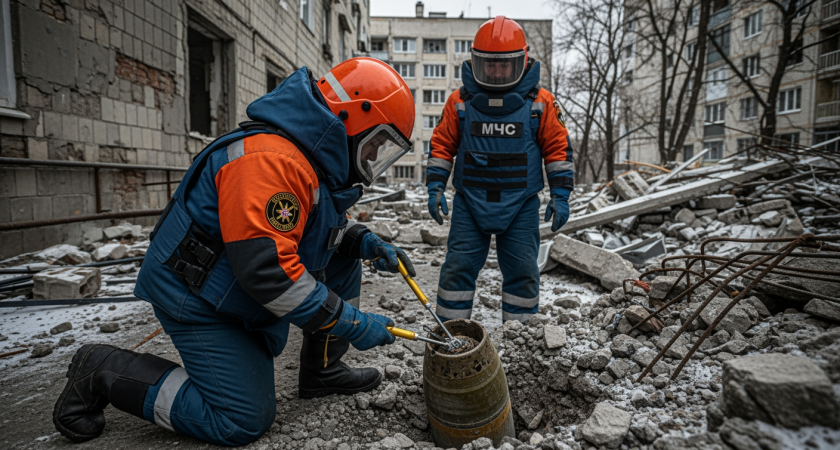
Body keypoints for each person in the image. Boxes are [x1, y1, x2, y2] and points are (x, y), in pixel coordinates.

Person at [53, 58, 417, 446]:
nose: (375, 156)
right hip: (197, 297)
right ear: (352, 119)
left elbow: (314, 226)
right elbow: (270, 274)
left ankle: (322, 372)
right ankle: (103, 369)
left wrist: (363, 240)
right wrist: (354, 323)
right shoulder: (271, 161)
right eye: (376, 142)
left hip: (232, 285)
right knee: (241, 419)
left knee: (344, 256)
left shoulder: (311, 158)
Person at [426, 16, 574, 323]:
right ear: (475, 62)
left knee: (523, 270)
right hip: (470, 202)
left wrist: (561, 194)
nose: (495, 71)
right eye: (488, 65)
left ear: (521, 61)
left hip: (521, 204)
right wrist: (435, 186)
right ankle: (450, 336)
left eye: (503, 65)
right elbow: (441, 145)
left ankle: (519, 340)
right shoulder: (459, 103)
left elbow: (558, 150)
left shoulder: (541, 103)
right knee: (457, 268)